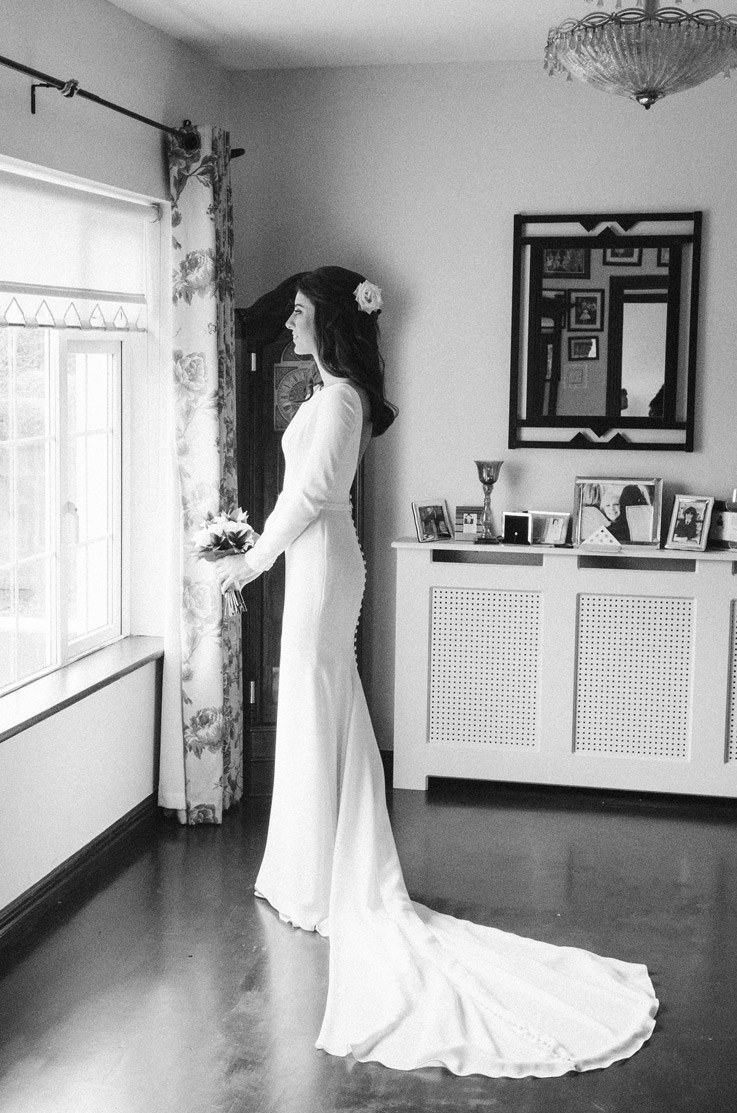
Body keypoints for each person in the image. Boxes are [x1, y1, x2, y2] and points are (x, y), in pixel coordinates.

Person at [213, 266, 657, 1077]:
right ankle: (307, 866)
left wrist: (250, 561)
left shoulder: (343, 397)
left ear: (333, 324)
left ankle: (320, 877)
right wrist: (258, 551)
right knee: (317, 703)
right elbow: (297, 491)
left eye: (303, 315)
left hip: (320, 561)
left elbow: (311, 493)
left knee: (316, 697)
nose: (292, 326)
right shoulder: (323, 394)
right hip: (308, 562)